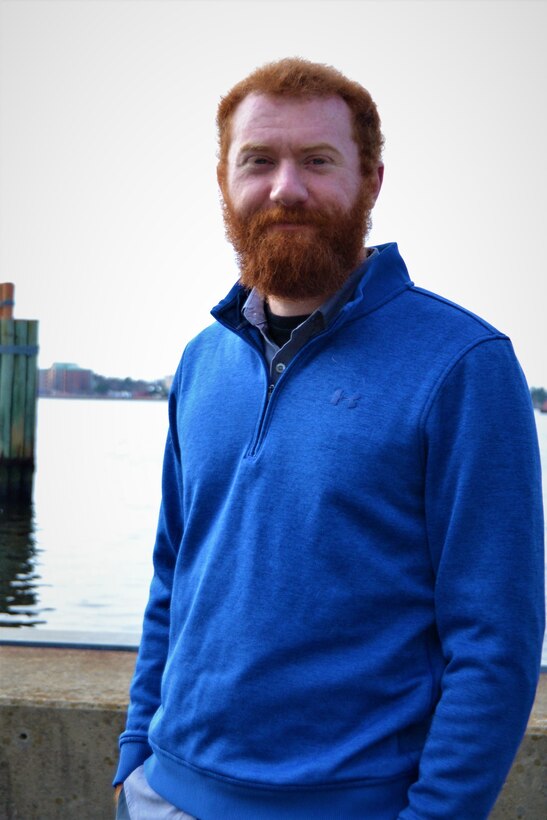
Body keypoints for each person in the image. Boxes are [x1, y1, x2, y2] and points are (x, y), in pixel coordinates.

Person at [113, 57, 545, 819]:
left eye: (317, 161)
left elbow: (495, 640)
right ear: (223, 179)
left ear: (371, 181)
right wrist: (133, 761)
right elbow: (171, 580)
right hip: (164, 797)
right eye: (258, 161)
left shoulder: (462, 365)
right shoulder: (200, 361)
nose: (285, 188)